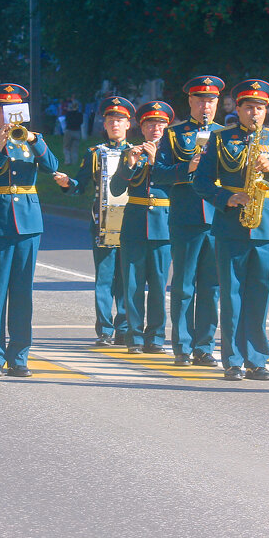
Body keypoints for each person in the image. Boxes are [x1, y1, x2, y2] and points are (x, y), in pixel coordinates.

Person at [193, 79, 269, 381]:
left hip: (266, 227)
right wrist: (226, 197)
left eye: (260, 108)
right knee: (231, 295)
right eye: (249, 107)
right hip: (231, 225)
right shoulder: (220, 139)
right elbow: (200, 181)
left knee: (260, 295)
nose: (255, 113)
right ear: (237, 108)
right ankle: (233, 359)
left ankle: (257, 359)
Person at [0, 83, 59, 377]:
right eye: (1, 108)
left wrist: (34, 140)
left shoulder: (32, 140)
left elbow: (51, 165)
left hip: (28, 220)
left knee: (23, 292)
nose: (7, 113)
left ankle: (19, 355)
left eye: (13, 108)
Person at [152, 76, 226, 366]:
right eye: (200, 100)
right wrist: (187, 168)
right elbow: (159, 174)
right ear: (191, 102)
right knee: (184, 285)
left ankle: (204, 346)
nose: (206, 105)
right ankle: (182, 346)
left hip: (218, 217)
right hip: (186, 216)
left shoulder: (227, 134)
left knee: (212, 286)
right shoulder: (174, 134)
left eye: (211, 100)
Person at [54, 96, 133, 345]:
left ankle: (124, 327)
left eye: (120, 120)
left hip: (130, 222)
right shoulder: (95, 153)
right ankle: (105, 330)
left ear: (128, 124)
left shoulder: (137, 153)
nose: (115, 125)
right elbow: (81, 184)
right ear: (105, 124)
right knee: (105, 277)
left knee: (126, 277)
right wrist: (68, 184)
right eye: (111, 120)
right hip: (103, 221)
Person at [111, 100, 175, 353]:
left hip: (163, 225)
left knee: (159, 285)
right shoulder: (131, 152)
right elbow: (116, 188)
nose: (155, 129)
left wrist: (155, 161)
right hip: (135, 225)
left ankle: (156, 336)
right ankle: (134, 337)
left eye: (160, 124)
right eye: (150, 124)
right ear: (142, 127)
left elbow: (176, 183)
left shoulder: (171, 155)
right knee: (133, 284)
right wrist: (130, 164)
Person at [62, 99, 83, 164]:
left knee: (66, 147)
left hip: (69, 131)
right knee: (75, 148)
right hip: (77, 131)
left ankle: (67, 161)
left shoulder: (68, 114)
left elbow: (66, 121)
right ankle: (74, 162)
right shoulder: (80, 114)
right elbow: (81, 122)